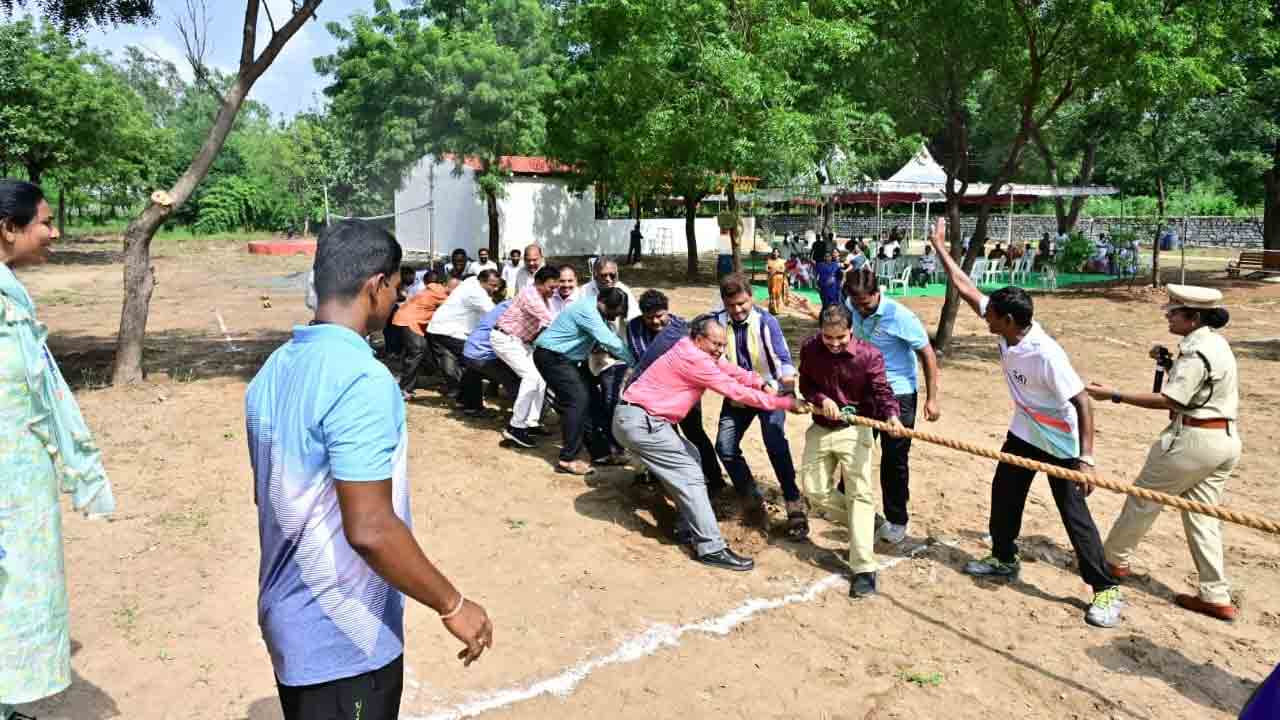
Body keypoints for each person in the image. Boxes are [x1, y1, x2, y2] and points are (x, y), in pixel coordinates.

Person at [246, 220, 492, 720]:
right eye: (398, 287)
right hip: (342, 637)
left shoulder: (273, 371)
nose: (398, 299)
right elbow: (370, 527)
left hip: (291, 620)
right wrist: (453, 604)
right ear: (376, 286)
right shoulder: (361, 378)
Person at [926, 218, 1124, 628]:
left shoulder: (1046, 354)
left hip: (1060, 441)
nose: (986, 320)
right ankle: (1003, 557)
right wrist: (940, 247)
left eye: (992, 317)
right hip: (1023, 430)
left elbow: (1084, 402)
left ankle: (1105, 588)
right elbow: (965, 287)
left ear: (1010, 321)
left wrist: (1086, 460)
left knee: (1073, 515)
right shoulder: (1007, 328)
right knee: (1005, 493)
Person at [0, 180, 116, 720]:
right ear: (7, 229)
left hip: (18, 492)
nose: (55, 231)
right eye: (44, 222)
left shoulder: (10, 296)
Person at [1087, 285, 1242, 622]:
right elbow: (1196, 391)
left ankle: (1112, 561)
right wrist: (1168, 364)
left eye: (1174, 312)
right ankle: (1216, 594)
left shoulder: (1197, 352)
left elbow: (1172, 401)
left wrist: (1114, 395)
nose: (1168, 316)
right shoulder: (1214, 343)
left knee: (1142, 500)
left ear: (1194, 318)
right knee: (1202, 517)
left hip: (1194, 441)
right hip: (1223, 440)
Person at [614, 314, 800, 571]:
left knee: (691, 456)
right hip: (641, 423)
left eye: (724, 345)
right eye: (716, 344)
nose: (721, 350)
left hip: (643, 420)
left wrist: (759, 381)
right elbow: (734, 391)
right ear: (699, 339)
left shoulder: (694, 349)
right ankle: (711, 547)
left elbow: (730, 369)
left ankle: (686, 523)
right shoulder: (694, 359)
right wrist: (785, 403)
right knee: (690, 474)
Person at [790, 268, 942, 543]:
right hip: (863, 392)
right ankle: (849, 508)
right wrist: (814, 312)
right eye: (856, 304)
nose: (861, 309)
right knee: (853, 446)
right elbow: (839, 332)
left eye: (866, 304)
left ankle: (896, 520)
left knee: (894, 460)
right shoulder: (851, 307)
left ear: (877, 293)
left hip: (897, 394)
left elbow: (927, 354)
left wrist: (931, 398)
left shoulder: (900, 317)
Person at [798, 304, 901, 595]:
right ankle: (867, 521)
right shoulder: (810, 348)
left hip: (855, 430)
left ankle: (864, 568)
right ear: (820, 332)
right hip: (820, 427)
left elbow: (883, 392)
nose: (833, 344)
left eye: (840, 338)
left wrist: (892, 416)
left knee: (859, 493)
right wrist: (820, 398)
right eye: (827, 338)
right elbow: (805, 385)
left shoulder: (869, 355)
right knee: (814, 491)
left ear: (851, 330)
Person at [711, 273, 804, 534]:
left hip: (769, 391)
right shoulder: (716, 322)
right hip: (737, 394)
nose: (738, 310)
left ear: (751, 297)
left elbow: (784, 360)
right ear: (724, 304)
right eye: (731, 305)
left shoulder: (767, 322)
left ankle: (793, 501)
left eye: (742, 303)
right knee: (725, 447)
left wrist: (788, 391)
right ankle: (752, 499)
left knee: (775, 442)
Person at [627, 290, 725, 496]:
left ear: (668, 312)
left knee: (695, 433)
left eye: (659, 315)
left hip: (684, 392)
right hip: (655, 396)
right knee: (667, 437)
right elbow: (643, 359)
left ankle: (715, 478)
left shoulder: (683, 328)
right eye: (649, 317)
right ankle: (672, 479)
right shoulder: (634, 327)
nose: (655, 321)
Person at [533, 287, 636, 475]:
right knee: (577, 401)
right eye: (615, 312)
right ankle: (567, 459)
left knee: (592, 399)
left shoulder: (597, 309)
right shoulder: (587, 311)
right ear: (603, 303)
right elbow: (610, 341)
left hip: (567, 360)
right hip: (551, 357)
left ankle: (600, 453)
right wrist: (636, 364)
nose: (615, 317)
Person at [578, 257, 640, 460]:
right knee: (589, 402)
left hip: (616, 358)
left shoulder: (624, 292)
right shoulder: (584, 293)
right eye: (603, 275)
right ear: (594, 274)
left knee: (612, 400)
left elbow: (634, 323)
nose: (608, 279)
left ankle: (618, 446)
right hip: (589, 355)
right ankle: (600, 444)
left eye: (612, 274)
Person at [492, 265, 559, 448]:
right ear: (538, 283)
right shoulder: (531, 295)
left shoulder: (544, 297)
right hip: (505, 339)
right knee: (531, 377)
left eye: (556, 287)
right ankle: (516, 427)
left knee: (540, 378)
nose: (554, 291)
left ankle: (531, 422)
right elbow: (551, 321)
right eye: (551, 287)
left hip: (520, 342)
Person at [427, 270, 500, 416]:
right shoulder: (477, 293)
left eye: (497, 285)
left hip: (443, 328)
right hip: (448, 330)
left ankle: (463, 400)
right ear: (483, 282)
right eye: (492, 285)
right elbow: (495, 315)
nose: (495, 289)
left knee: (470, 365)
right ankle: (473, 407)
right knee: (475, 361)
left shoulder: (472, 280)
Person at [393, 275, 458, 398]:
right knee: (416, 352)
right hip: (411, 320)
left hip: (410, 319)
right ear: (449, 287)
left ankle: (412, 382)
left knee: (422, 351)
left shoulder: (435, 289)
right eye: (456, 289)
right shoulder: (441, 294)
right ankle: (404, 388)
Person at [462, 300, 521, 411]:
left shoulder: (506, 304)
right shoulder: (518, 309)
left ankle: (471, 407)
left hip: (471, 348)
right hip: (483, 353)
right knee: (516, 379)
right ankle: (520, 420)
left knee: (475, 372)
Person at [766, 248, 787, 315]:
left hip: (779, 279)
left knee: (778, 294)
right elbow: (766, 269)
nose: (775, 253)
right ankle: (772, 309)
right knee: (772, 293)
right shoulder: (769, 261)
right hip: (771, 279)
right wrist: (771, 271)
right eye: (774, 252)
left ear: (779, 253)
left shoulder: (782, 261)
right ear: (772, 253)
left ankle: (777, 309)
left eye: (776, 252)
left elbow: (783, 270)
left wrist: (776, 270)